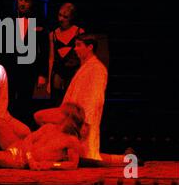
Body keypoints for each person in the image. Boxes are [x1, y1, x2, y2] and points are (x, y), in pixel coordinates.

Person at [35, 34, 129, 166]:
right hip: (72, 118)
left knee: (86, 157)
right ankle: (125, 159)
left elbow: (95, 99)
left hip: (82, 121)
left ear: (90, 47)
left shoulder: (97, 69)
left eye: (79, 45)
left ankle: (126, 159)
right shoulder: (85, 67)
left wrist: (86, 123)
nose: (75, 49)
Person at [2, 0, 49, 126]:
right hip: (10, 69)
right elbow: (2, 47)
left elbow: (44, 49)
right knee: (8, 103)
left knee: (25, 104)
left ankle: (23, 135)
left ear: (32, 3)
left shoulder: (39, 21)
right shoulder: (8, 19)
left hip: (29, 71)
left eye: (27, 1)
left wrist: (42, 74)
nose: (22, 3)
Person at [47, 3, 84, 105]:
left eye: (65, 17)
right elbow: (51, 58)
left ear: (72, 18)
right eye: (59, 15)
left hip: (73, 73)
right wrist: (49, 82)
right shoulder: (53, 34)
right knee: (56, 103)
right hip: (58, 73)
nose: (61, 19)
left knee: (71, 105)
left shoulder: (79, 32)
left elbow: (82, 59)